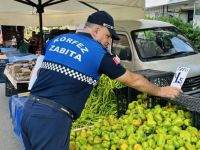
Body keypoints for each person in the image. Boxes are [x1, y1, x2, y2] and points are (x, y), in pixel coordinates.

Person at [21, 11, 182, 150]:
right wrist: (161, 91)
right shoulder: (98, 53)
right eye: (108, 36)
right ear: (96, 30)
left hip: (29, 110)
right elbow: (132, 80)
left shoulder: (57, 40)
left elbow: (41, 70)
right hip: (51, 120)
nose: (108, 42)